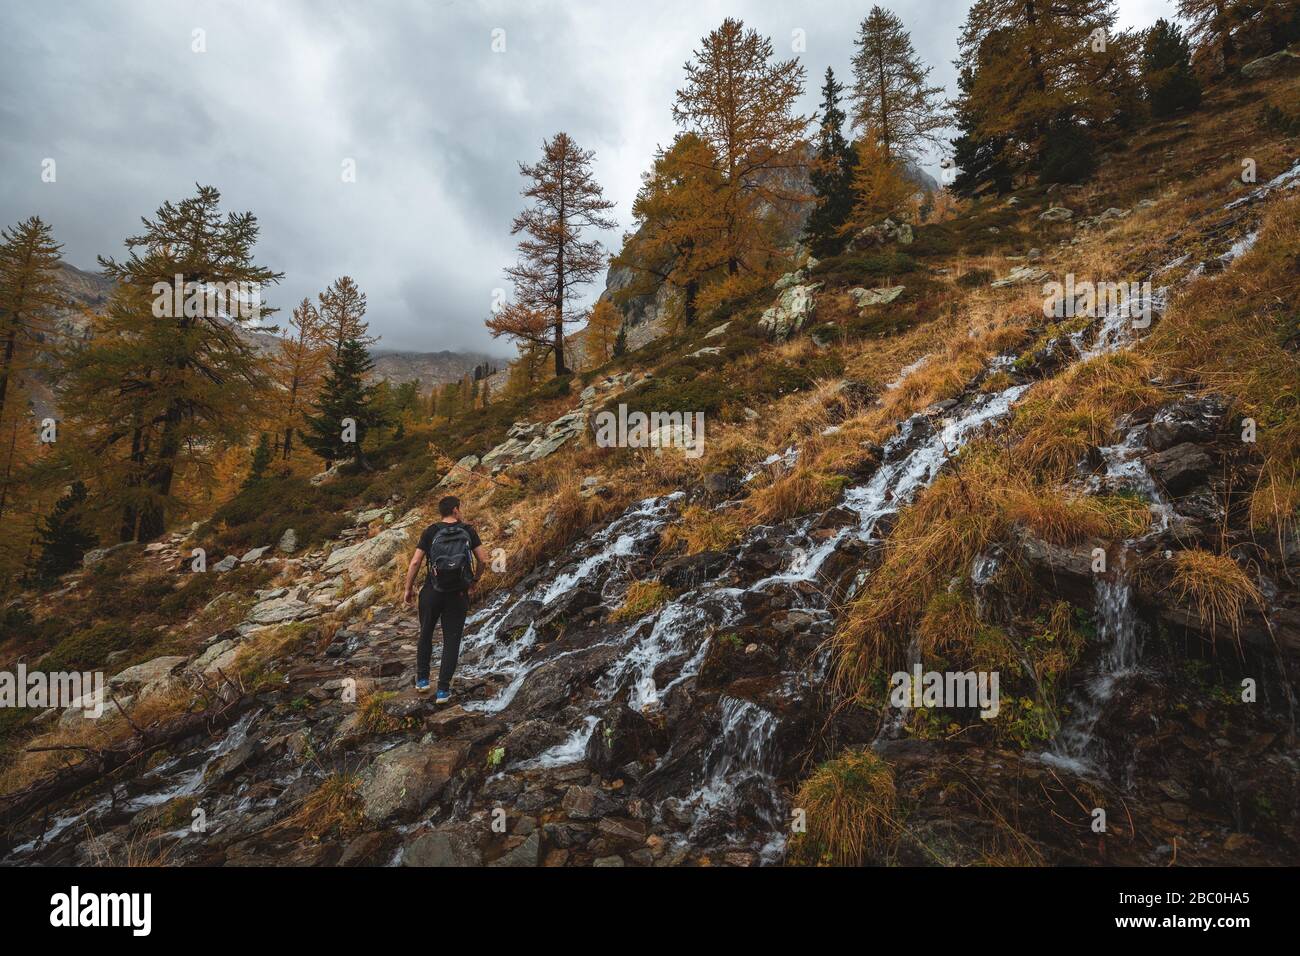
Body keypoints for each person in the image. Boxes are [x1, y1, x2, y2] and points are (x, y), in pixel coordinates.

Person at [403, 494, 489, 703]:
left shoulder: (431, 531)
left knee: (426, 633)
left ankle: (422, 680)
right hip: (458, 593)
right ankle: (442, 690)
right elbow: (484, 559)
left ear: (441, 512)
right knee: (452, 640)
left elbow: (415, 563)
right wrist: (474, 580)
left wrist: (408, 589)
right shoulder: (468, 530)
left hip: (432, 591)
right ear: (456, 510)